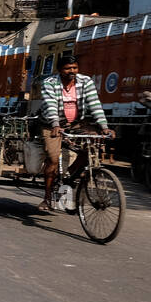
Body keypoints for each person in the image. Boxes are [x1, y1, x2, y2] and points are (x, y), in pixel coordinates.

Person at [39, 54, 113, 211]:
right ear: (59, 70)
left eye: (74, 68)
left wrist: (104, 126)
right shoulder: (49, 82)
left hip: (78, 123)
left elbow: (95, 104)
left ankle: (69, 176)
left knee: (94, 146)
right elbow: (50, 104)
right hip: (52, 124)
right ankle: (47, 198)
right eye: (67, 68)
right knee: (52, 157)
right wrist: (55, 124)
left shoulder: (86, 82)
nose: (71, 71)